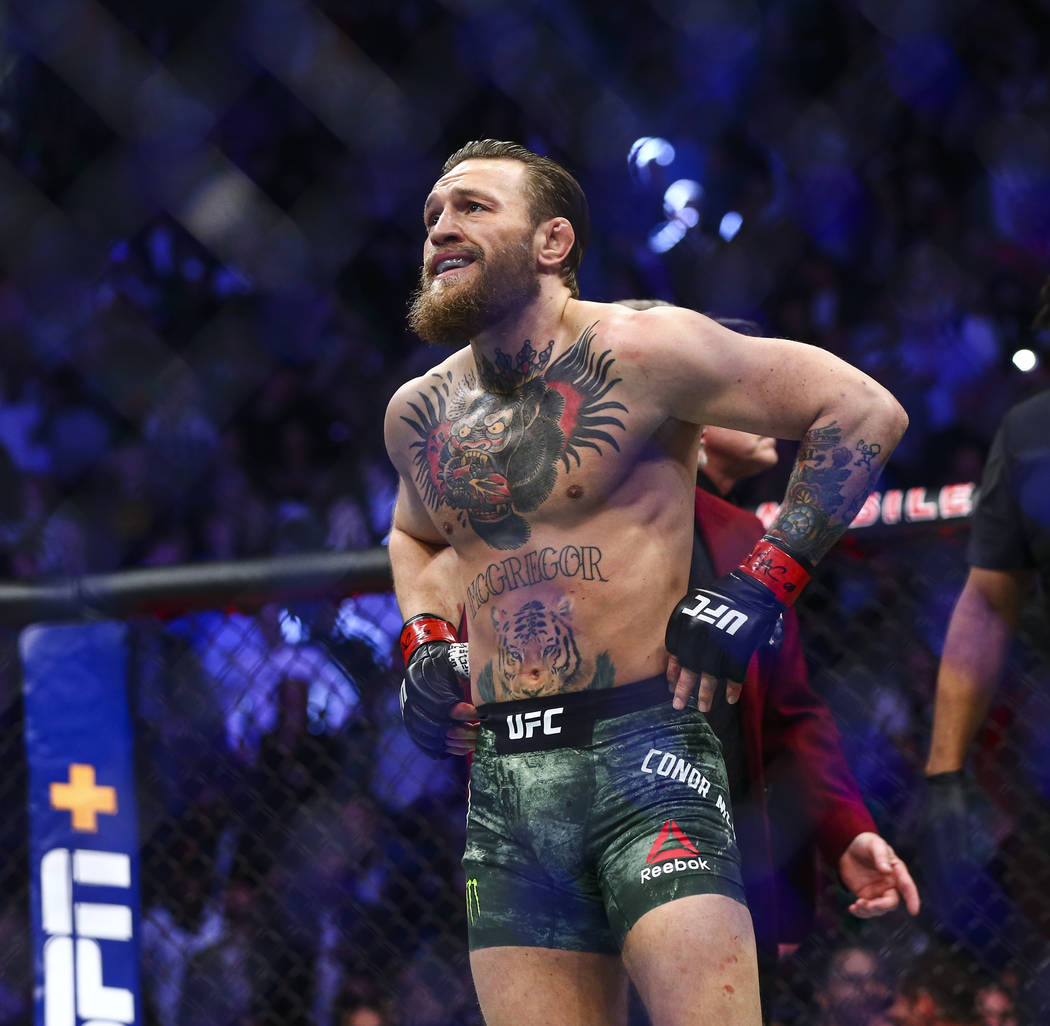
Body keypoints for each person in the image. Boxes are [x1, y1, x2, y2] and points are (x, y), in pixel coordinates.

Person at [384, 138, 908, 1025]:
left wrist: (759, 585)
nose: (441, 227)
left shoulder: (643, 346)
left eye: (472, 207)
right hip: (507, 780)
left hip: (649, 753)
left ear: (552, 241)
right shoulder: (420, 412)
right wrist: (427, 640)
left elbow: (862, 411)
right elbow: (415, 533)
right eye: (433, 213)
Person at [617, 301, 920, 1022]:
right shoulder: (600, 529)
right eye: (734, 380)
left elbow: (791, 715)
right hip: (612, 864)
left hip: (734, 865)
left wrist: (846, 829)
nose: (765, 406)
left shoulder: (749, 540)